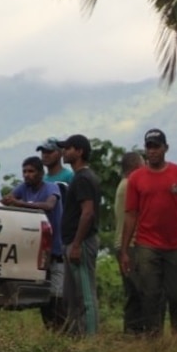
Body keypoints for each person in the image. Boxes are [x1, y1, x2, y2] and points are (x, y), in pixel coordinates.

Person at [119, 129, 177, 337]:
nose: (152, 151)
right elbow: (131, 215)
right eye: (149, 147)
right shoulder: (136, 178)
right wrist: (124, 250)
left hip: (176, 244)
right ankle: (154, 339)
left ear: (165, 148)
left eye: (156, 147)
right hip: (147, 244)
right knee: (150, 294)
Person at [2, 156, 65, 328]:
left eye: (31, 171)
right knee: (45, 297)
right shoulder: (24, 188)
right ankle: (52, 331)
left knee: (57, 296)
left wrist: (19, 204)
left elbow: (49, 206)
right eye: (24, 171)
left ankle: (62, 331)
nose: (27, 175)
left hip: (56, 251)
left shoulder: (50, 188)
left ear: (40, 173)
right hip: (37, 252)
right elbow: (8, 199)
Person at [57, 134, 101, 337]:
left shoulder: (83, 178)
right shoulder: (80, 177)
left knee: (85, 296)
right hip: (72, 242)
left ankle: (90, 339)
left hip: (80, 243)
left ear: (80, 151)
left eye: (68, 148)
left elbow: (88, 212)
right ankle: (76, 336)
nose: (64, 152)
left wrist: (76, 244)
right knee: (71, 297)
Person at [113, 151, 145, 334]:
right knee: (140, 291)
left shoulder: (123, 185)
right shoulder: (130, 186)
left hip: (124, 244)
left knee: (133, 292)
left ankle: (132, 332)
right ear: (135, 167)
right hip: (131, 245)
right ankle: (138, 331)